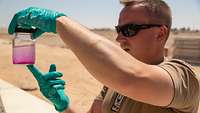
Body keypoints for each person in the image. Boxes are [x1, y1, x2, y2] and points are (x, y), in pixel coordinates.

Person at [8, 0, 200, 113]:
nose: (119, 38)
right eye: (119, 30)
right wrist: (63, 105)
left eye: (130, 30)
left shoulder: (182, 78)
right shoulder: (112, 84)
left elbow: (130, 77)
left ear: (160, 33)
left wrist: (59, 23)